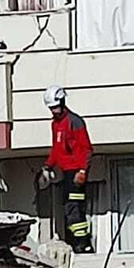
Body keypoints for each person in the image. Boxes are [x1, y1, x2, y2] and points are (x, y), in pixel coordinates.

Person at [40, 85, 93, 252]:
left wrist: (83, 171)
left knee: (74, 207)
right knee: (68, 209)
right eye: (51, 108)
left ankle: (83, 243)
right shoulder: (55, 124)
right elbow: (56, 149)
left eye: (56, 107)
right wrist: (48, 165)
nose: (54, 111)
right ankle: (76, 242)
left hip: (76, 173)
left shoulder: (74, 121)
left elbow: (86, 148)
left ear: (63, 102)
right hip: (66, 172)